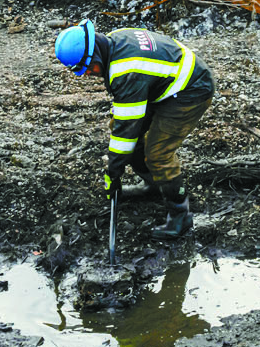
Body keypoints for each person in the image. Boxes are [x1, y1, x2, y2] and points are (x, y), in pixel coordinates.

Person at [53, 20, 214, 239]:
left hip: (190, 88)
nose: (89, 75)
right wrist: (116, 167)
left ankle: (180, 217)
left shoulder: (124, 70)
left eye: (88, 70)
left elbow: (125, 132)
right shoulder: (112, 39)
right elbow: (125, 123)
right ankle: (153, 185)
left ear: (93, 59)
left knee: (158, 153)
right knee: (127, 134)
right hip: (162, 82)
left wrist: (114, 172)